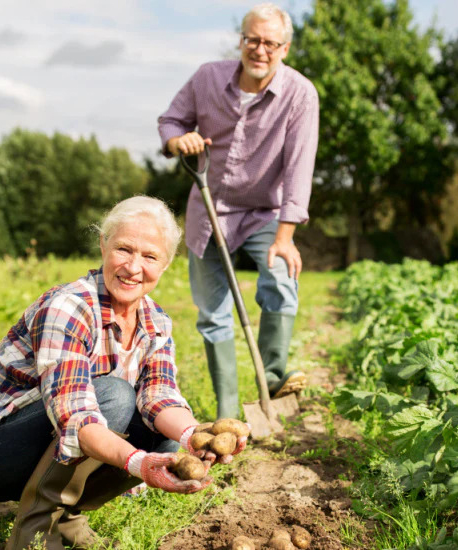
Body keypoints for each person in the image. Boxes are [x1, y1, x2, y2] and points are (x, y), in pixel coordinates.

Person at [0, 196, 247, 550]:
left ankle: (67, 517)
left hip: (48, 439)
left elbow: (160, 395)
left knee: (168, 438)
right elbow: (77, 416)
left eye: (150, 256)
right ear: (103, 244)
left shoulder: (156, 320)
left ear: (167, 263)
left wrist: (194, 436)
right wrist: (140, 465)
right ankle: (34, 532)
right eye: (124, 249)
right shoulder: (68, 307)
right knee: (114, 397)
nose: (133, 267)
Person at [157, 2, 319, 419]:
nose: (259, 49)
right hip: (208, 213)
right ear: (241, 41)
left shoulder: (300, 94)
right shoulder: (207, 77)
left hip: (265, 212)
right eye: (252, 39)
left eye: (270, 42)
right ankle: (229, 415)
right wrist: (180, 142)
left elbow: (300, 167)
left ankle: (275, 377)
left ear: (284, 48)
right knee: (213, 314)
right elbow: (171, 122)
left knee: (281, 279)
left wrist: (286, 237)